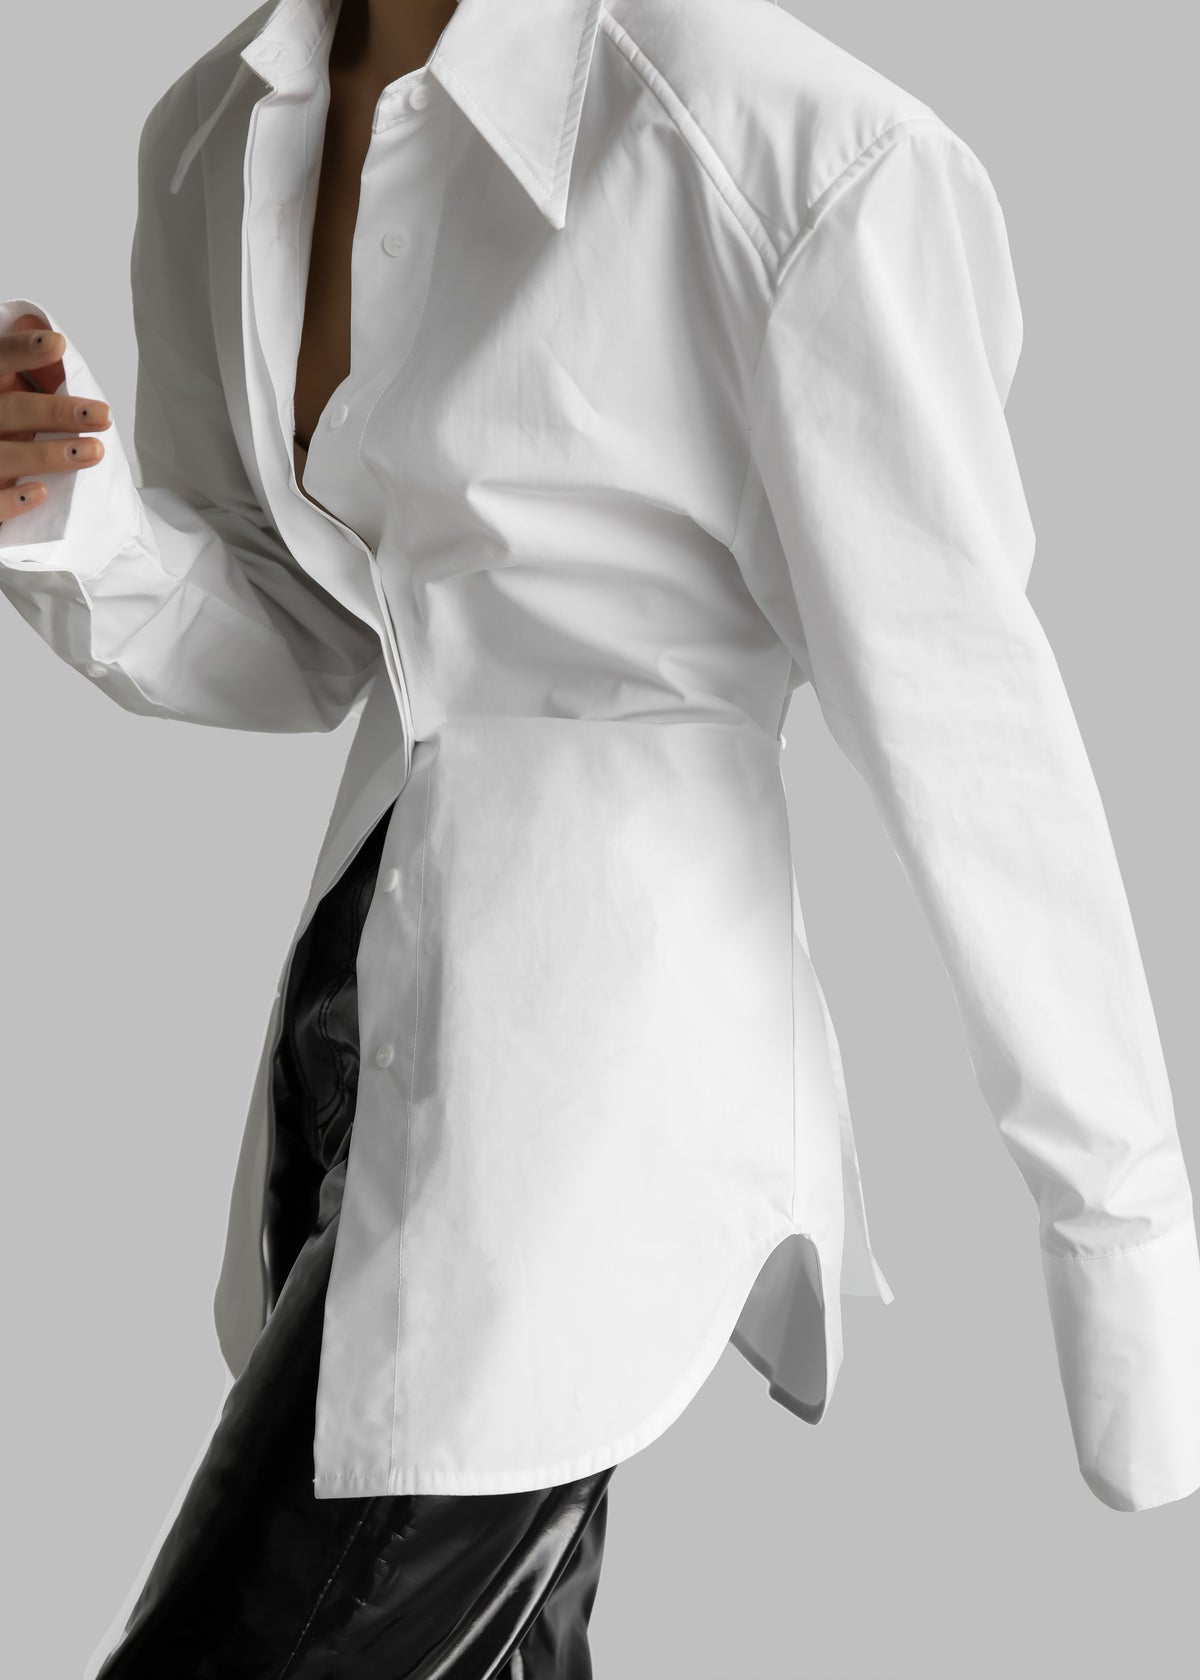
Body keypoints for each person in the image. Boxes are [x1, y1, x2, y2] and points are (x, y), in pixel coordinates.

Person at [4, 0, 1200, 1674]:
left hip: (593, 1106)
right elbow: (310, 638)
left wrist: (1119, 1238)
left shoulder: (778, 149)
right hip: (350, 1040)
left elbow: (970, 733)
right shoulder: (214, 127)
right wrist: (65, 517)